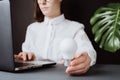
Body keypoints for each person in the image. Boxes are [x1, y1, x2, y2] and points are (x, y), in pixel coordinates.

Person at [14, 0, 96, 75]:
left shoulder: (75, 28)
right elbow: (26, 54)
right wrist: (25, 57)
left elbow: (88, 51)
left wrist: (86, 59)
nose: (42, 2)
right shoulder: (31, 29)